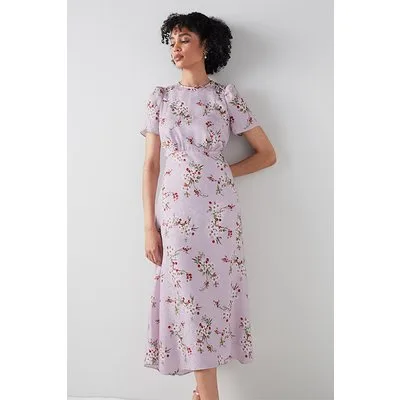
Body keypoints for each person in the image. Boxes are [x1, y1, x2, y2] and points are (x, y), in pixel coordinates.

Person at [139, 11, 276, 400]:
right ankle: (207, 394)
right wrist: (148, 227)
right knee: (186, 296)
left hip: (218, 214)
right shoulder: (161, 98)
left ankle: (203, 395)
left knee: (212, 296)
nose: (176, 47)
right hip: (176, 214)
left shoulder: (225, 97)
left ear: (207, 46)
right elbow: (151, 165)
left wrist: (220, 172)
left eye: (184, 39)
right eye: (172, 41)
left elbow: (267, 155)